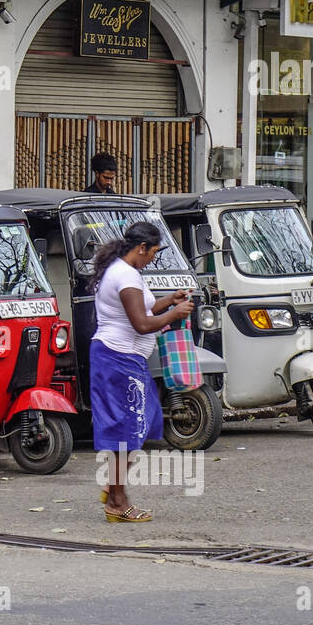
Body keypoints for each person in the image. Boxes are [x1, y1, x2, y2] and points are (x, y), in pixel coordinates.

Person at [89, 220, 193, 523]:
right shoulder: (125, 276)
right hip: (117, 359)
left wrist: (167, 302)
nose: (154, 259)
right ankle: (117, 503)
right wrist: (175, 313)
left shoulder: (127, 273)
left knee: (145, 421)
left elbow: (142, 311)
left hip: (125, 360)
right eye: (154, 252)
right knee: (126, 432)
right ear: (141, 248)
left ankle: (113, 488)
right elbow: (141, 324)